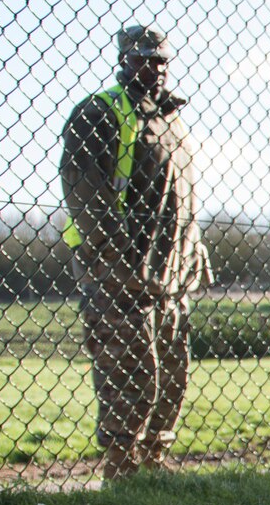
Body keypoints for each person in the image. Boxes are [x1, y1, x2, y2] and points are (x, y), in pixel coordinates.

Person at [60, 25, 212, 480]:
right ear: (124, 60)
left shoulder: (173, 121)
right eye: (144, 59)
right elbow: (86, 194)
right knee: (127, 372)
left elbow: (181, 197)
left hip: (171, 276)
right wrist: (118, 259)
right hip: (120, 276)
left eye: (161, 60)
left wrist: (194, 246)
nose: (155, 67)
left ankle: (154, 461)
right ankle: (122, 467)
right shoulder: (99, 113)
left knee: (172, 372)